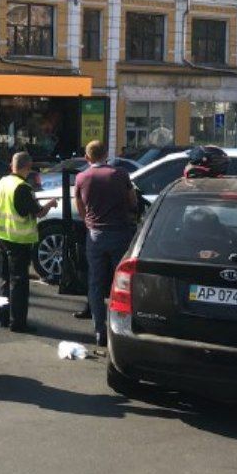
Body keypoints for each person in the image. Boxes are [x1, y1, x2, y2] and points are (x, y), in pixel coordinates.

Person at [72, 141, 138, 347]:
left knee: (95, 282)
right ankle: (121, 328)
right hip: (120, 233)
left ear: (87, 157)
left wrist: (89, 222)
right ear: (106, 154)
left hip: (95, 235)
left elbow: (80, 207)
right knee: (122, 282)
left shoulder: (82, 178)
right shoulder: (120, 174)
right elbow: (133, 202)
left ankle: (99, 330)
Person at [0, 151, 57, 333]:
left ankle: (4, 318)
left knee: (5, 280)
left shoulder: (3, 182)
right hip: (18, 240)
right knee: (19, 283)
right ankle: (18, 323)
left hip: (1, 236)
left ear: (11, 165)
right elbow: (38, 212)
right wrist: (50, 204)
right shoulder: (22, 187)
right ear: (28, 167)